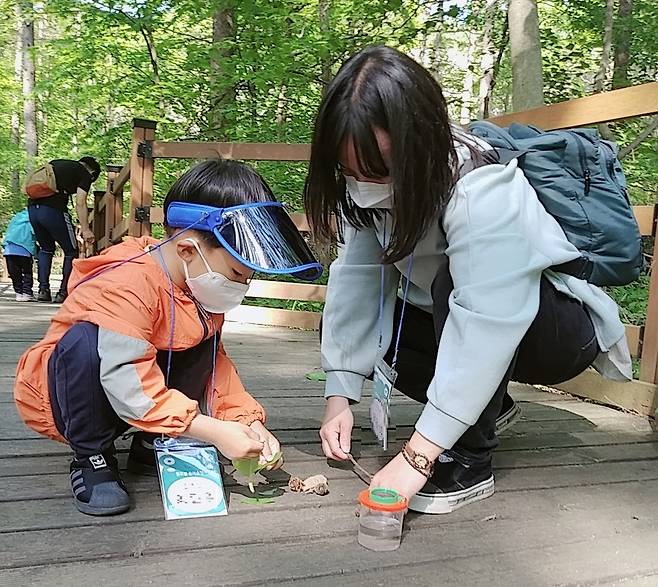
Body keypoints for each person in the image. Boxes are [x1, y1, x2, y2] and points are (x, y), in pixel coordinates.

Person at [304, 46, 632, 514]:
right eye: (349, 170)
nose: (363, 184)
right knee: (372, 321)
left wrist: (417, 456)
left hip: (556, 330)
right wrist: (339, 397)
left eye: (379, 168)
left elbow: (485, 321)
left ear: (419, 144)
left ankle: (469, 460)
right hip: (466, 315)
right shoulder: (363, 195)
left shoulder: (481, 186)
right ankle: (487, 411)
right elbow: (358, 284)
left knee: (451, 285)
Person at [14, 159, 322, 516]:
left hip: (140, 395)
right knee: (85, 342)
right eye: (238, 273)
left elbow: (215, 368)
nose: (242, 285)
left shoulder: (197, 286)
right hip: (72, 397)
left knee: (199, 339)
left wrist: (245, 420)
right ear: (188, 249)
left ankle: (154, 440)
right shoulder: (126, 283)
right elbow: (126, 380)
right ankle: (92, 457)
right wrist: (212, 431)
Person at [28, 156, 101, 304]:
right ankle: (63, 292)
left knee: (46, 248)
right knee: (71, 250)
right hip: (54, 211)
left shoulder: (55, 163)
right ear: (92, 172)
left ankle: (43, 290)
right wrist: (86, 229)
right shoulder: (84, 174)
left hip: (33, 210)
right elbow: (80, 202)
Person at [2, 209, 37, 301]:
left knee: (14, 273)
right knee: (27, 272)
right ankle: (27, 293)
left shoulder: (15, 219)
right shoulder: (32, 219)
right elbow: (35, 233)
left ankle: (18, 292)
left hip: (10, 249)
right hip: (25, 249)